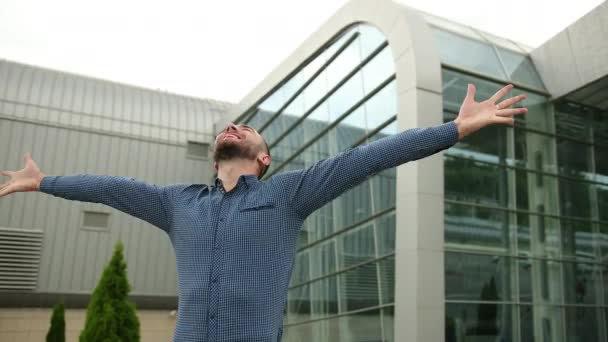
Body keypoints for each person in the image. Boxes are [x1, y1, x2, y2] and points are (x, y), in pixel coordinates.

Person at [0, 84, 527, 341]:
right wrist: (44, 181)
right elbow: (111, 188)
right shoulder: (177, 203)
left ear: (263, 156)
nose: (233, 127)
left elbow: (369, 157)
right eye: (228, 128)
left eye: (246, 129)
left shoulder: (289, 194)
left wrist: (453, 129)